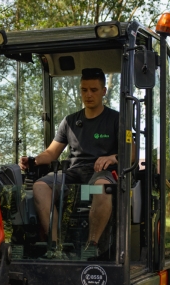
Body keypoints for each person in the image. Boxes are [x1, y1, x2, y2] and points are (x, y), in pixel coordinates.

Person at [19, 67, 119, 259]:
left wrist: (112, 158)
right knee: (40, 186)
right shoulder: (70, 121)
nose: (88, 95)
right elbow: (51, 152)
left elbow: (130, 155)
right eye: (84, 90)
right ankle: (55, 247)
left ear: (104, 91)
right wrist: (34, 160)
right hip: (72, 178)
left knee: (100, 188)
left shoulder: (116, 119)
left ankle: (92, 245)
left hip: (97, 177)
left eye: (94, 90)